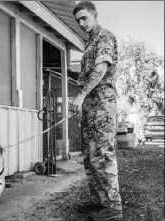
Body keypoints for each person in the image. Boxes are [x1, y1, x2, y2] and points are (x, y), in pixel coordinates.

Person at [69, 1, 123, 220]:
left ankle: (114, 206)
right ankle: (99, 201)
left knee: (103, 155)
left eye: (84, 18)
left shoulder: (104, 38)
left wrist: (81, 96)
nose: (81, 23)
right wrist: (81, 107)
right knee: (90, 157)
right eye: (78, 20)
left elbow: (101, 69)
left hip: (102, 106)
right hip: (91, 109)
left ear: (95, 15)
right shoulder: (89, 43)